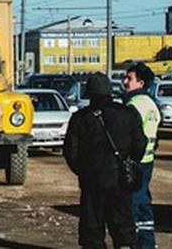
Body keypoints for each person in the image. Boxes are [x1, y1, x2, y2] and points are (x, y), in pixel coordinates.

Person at [64, 73, 147, 249]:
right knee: (123, 226)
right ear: (110, 91)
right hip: (121, 179)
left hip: (92, 179)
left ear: (89, 93)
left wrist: (83, 170)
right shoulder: (128, 113)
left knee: (92, 229)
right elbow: (140, 143)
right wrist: (129, 162)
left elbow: (70, 152)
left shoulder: (80, 118)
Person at [122, 63, 161, 249]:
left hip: (134, 163)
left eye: (129, 78)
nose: (124, 82)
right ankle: (147, 243)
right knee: (144, 206)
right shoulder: (152, 105)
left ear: (141, 83)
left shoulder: (134, 105)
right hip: (148, 162)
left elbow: (130, 137)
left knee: (131, 208)